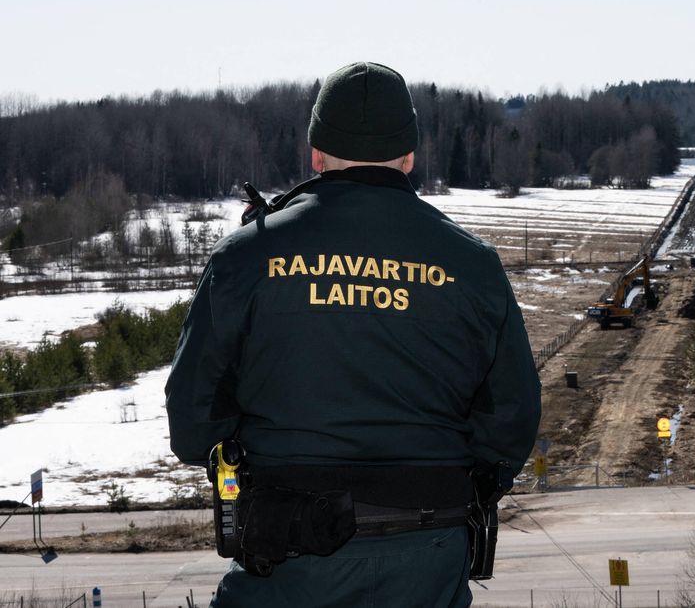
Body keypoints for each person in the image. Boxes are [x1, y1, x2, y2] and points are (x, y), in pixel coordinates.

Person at [165, 61, 541, 607]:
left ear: (315, 154)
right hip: (429, 549)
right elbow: (512, 416)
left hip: (289, 551)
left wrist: (246, 453)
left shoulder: (246, 257)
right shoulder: (472, 264)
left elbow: (192, 422)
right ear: (409, 156)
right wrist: (458, 483)